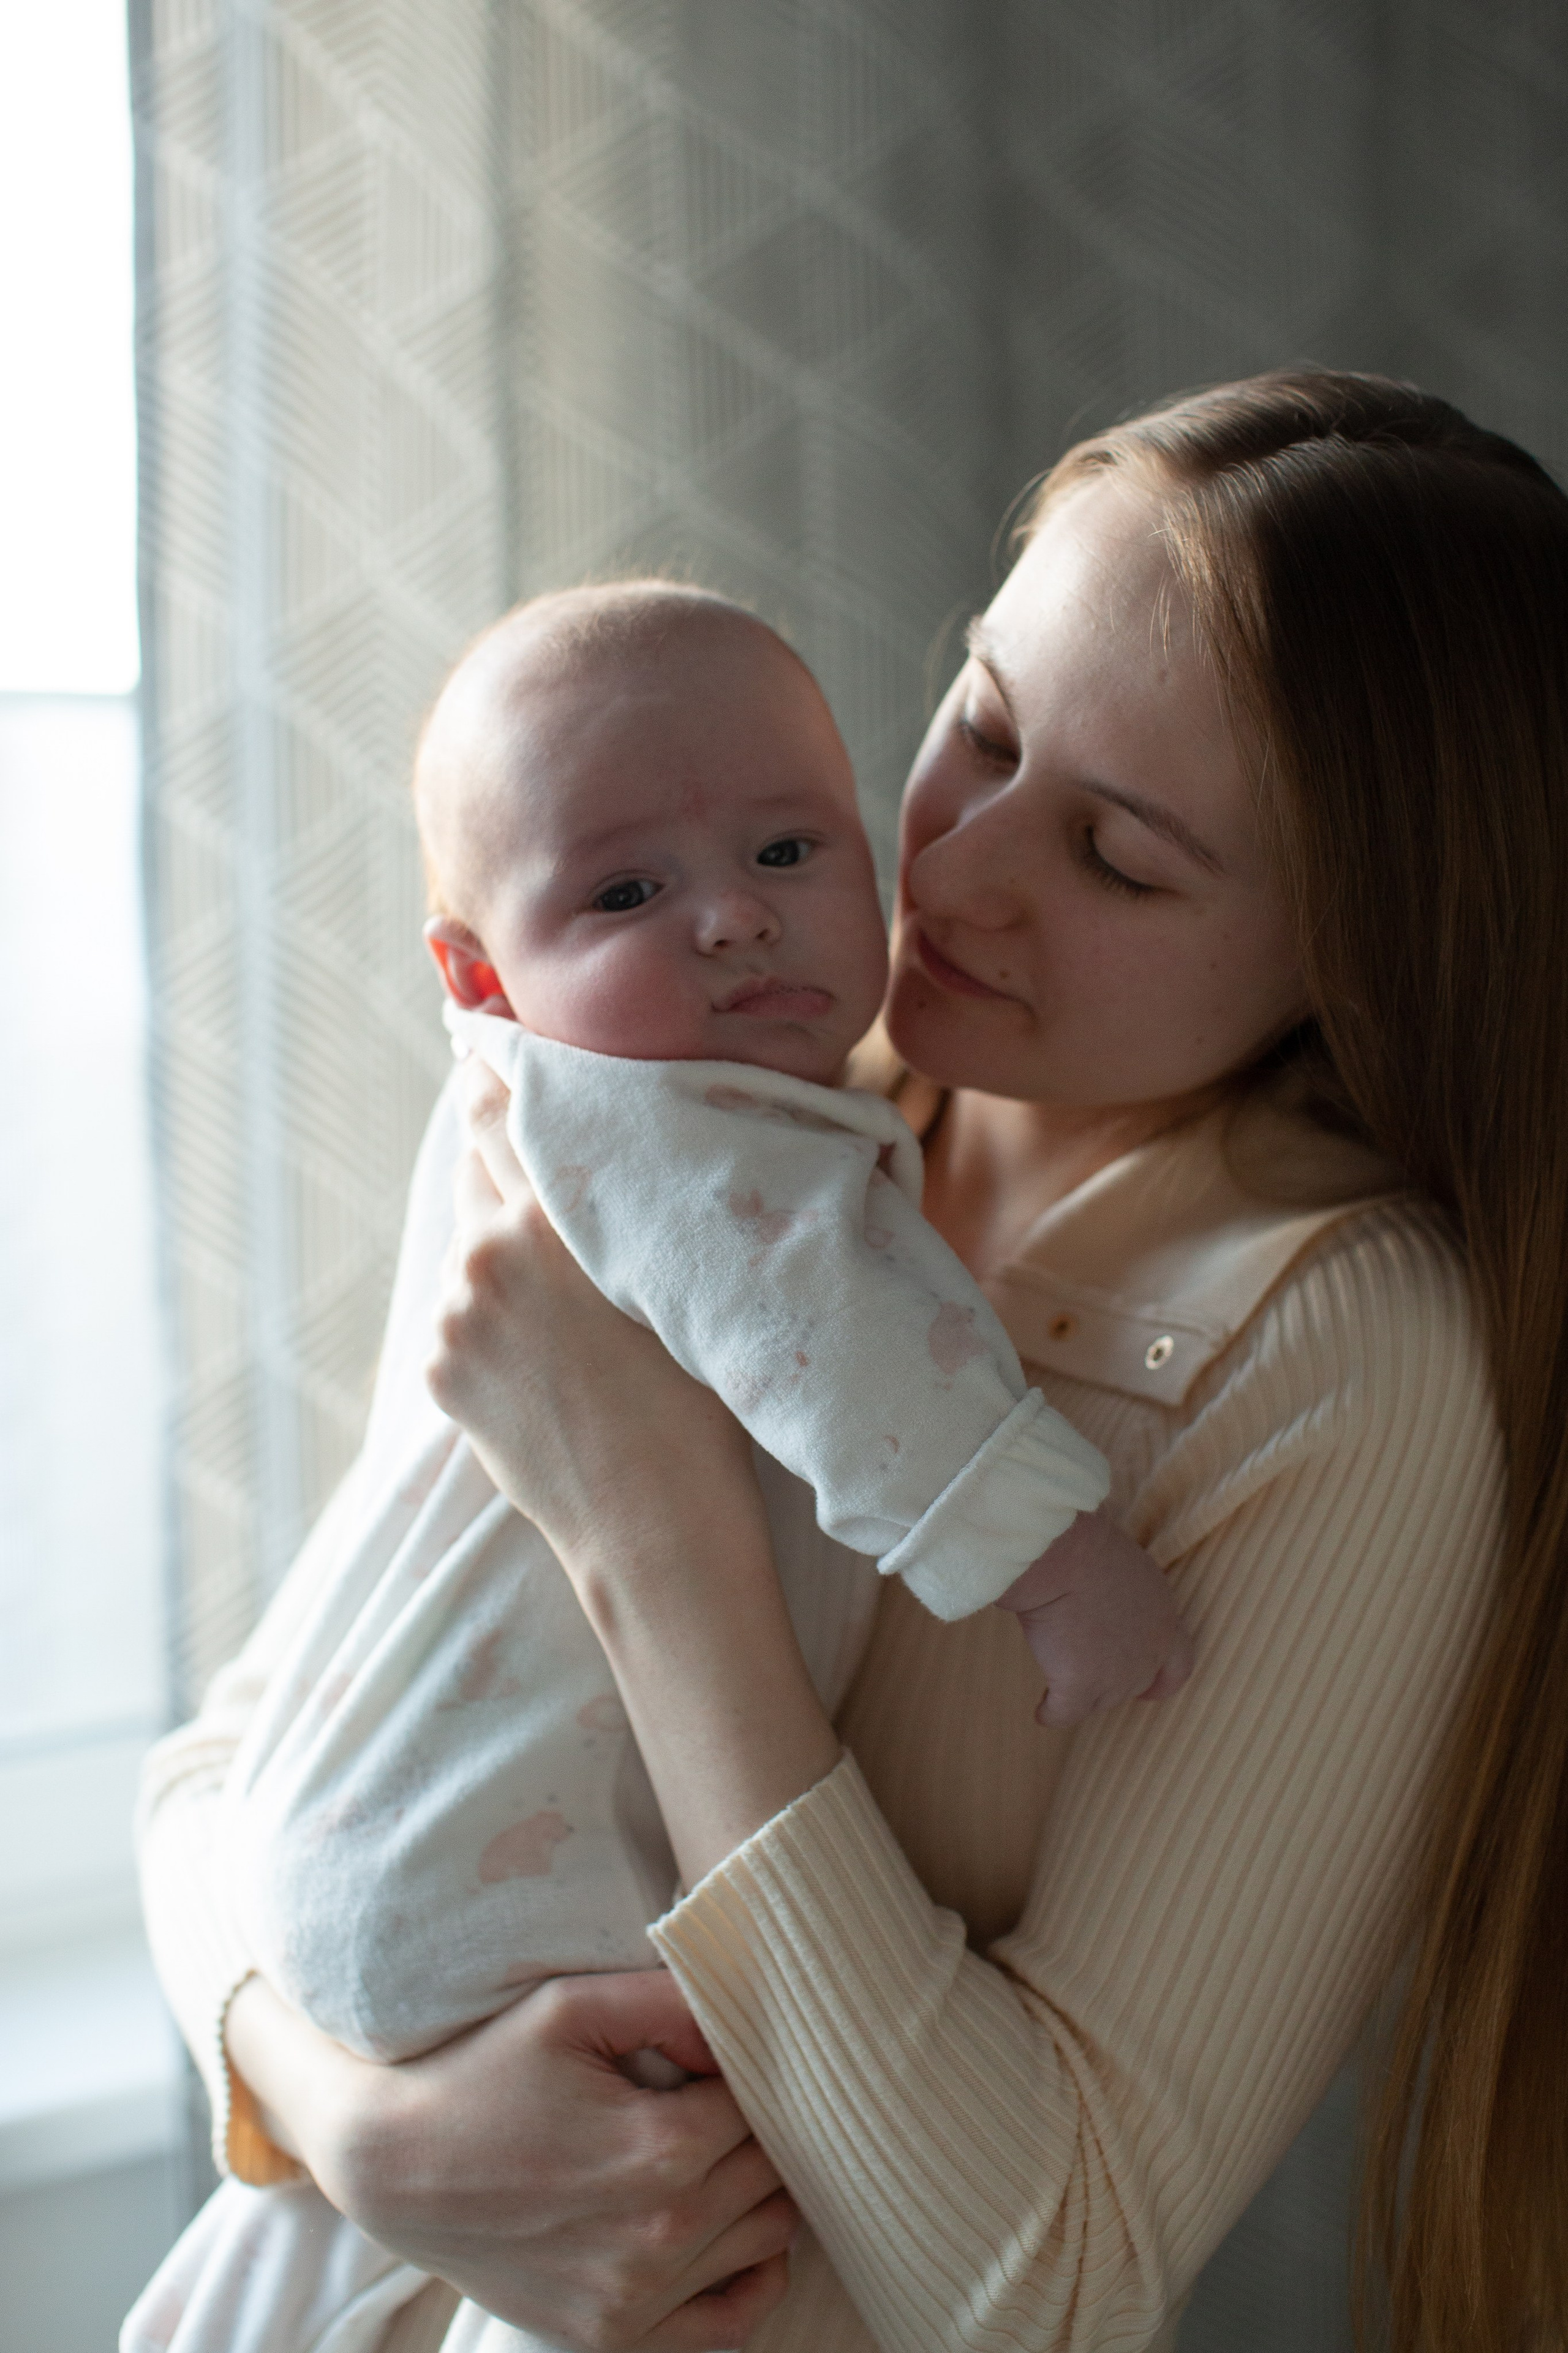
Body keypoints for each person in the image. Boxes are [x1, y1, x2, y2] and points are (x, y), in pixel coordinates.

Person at [134, 370, 1568, 2353]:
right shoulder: (767, 1126)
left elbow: (1048, 2283)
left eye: (1120, 859)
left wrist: (652, 1530)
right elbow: (231, 1765)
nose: (958, 875)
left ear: (1361, 945)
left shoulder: (1338, 1349)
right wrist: (361, 2119)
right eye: (979, 723)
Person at [123, 586, 1187, 2353]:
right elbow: (851, 1362)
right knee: (651, 2239)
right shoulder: (676, 1130)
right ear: (479, 975)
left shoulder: (562, 1115)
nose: (727, 918)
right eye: (625, 891)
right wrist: (1062, 1565)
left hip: (356, 1857)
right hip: (500, 1887)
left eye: (785, 847)